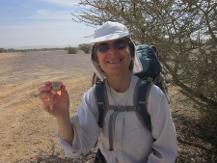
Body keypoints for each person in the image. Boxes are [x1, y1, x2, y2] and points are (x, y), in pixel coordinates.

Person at [39, 21, 177, 163]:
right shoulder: (94, 97)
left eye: (120, 44)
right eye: (103, 47)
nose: (112, 52)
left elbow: (165, 152)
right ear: (96, 58)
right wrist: (62, 116)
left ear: (131, 53)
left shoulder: (152, 96)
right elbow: (78, 147)